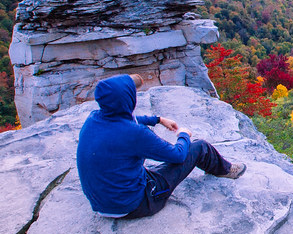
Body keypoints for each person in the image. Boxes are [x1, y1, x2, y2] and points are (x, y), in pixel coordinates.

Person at [76, 73, 245, 219]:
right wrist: (183, 135)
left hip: (101, 204)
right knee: (200, 147)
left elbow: (123, 121)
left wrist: (157, 120)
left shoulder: (94, 118)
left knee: (147, 166)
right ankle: (227, 170)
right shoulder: (135, 134)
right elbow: (177, 155)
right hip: (135, 205)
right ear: (128, 99)